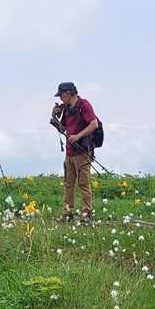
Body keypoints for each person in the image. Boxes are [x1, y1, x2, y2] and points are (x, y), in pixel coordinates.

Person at [50, 82, 99, 222]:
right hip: (69, 153)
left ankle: (86, 214)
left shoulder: (84, 105)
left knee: (83, 183)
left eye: (61, 95)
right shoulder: (66, 109)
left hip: (82, 152)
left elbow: (94, 124)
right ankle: (67, 213)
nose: (60, 98)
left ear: (69, 93)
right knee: (68, 184)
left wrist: (78, 136)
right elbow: (63, 129)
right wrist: (54, 117)